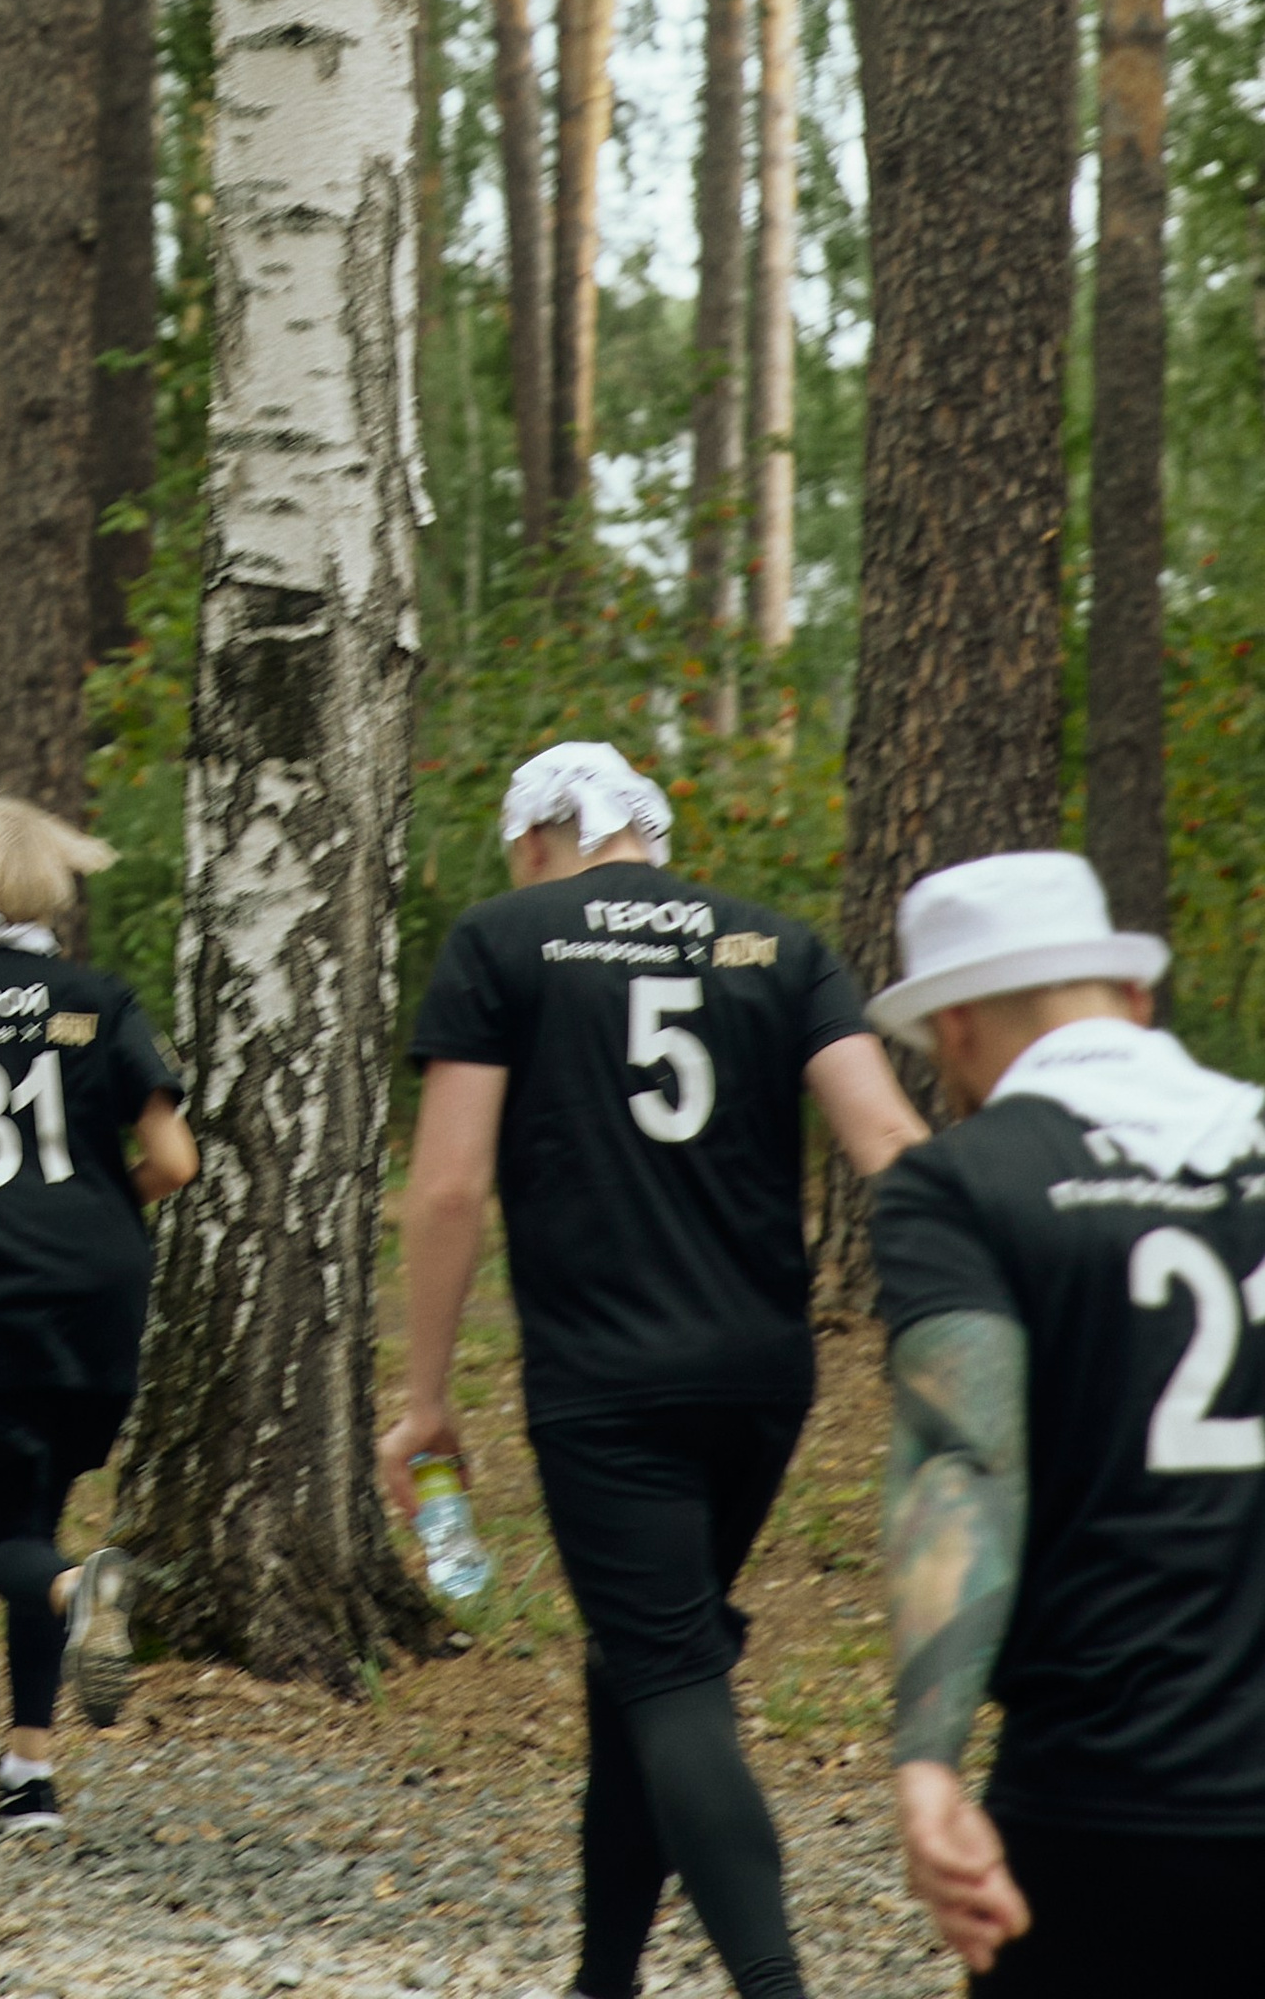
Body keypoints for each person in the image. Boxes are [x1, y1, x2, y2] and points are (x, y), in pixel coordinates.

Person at [382, 737, 927, 1999]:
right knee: (640, 1655)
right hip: (761, 1376)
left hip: (606, 1379)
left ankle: (772, 1978)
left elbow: (450, 1186)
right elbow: (887, 1139)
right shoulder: (777, 945)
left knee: (671, 1670)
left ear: (534, 843)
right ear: (651, 836)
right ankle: (603, 1977)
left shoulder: (503, 941)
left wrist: (422, 1395)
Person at [869, 850, 1265, 1995]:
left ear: (951, 1032)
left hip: (1105, 1801)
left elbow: (965, 1460)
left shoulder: (959, 1185)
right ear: (1134, 1001)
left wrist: (927, 1763)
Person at [0, 795, 198, 1832]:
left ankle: (81, 1605)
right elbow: (174, 1162)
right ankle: (30, 1771)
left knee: (9, 1543)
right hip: (99, 1291)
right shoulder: (100, 999)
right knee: (43, 1525)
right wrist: (103, 1209)